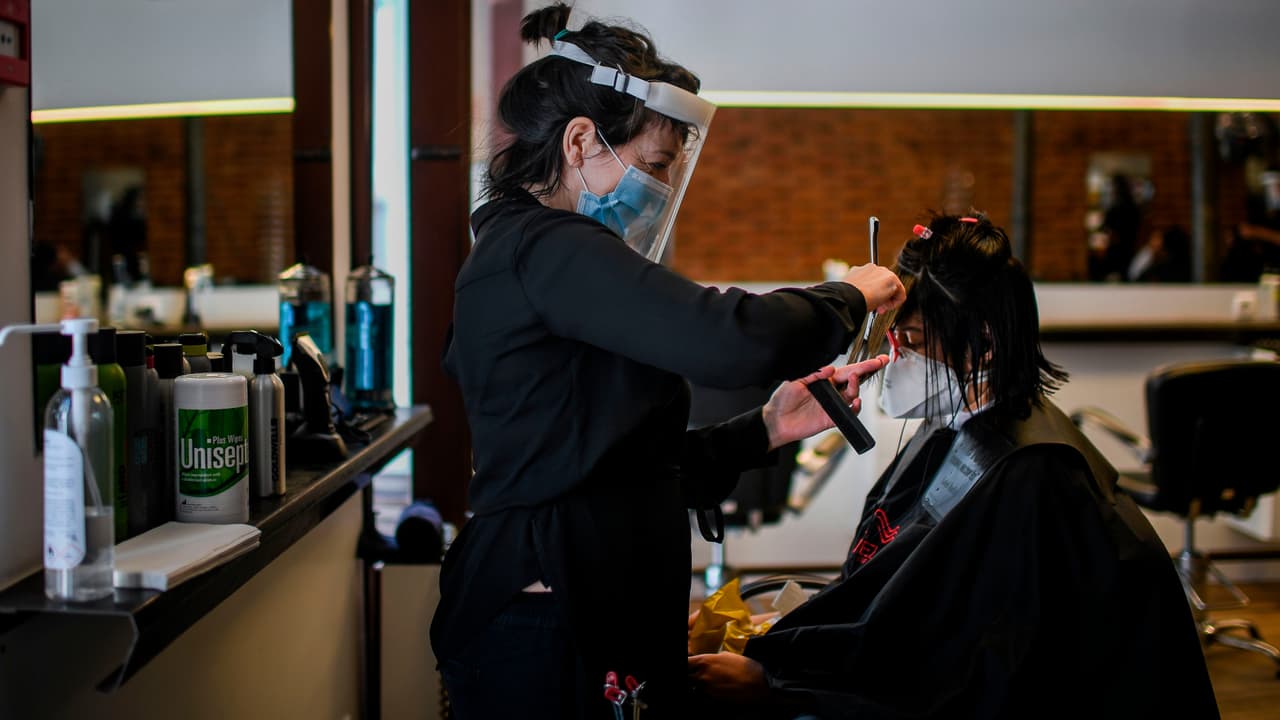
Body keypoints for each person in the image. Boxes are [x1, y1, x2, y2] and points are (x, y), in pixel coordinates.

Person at [429, 4, 905, 719]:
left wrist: (765, 429)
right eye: (653, 166)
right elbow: (729, 338)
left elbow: (617, 461)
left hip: (583, 599)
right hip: (550, 628)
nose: (657, 189)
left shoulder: (535, 255)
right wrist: (848, 297)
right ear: (580, 141)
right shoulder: (548, 248)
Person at [688, 214, 1219, 719]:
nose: (891, 359)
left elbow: (969, 680)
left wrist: (778, 687)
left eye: (911, 341)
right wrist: (781, 635)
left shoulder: (1033, 473)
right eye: (890, 336)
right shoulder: (951, 428)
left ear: (983, 344)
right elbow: (896, 600)